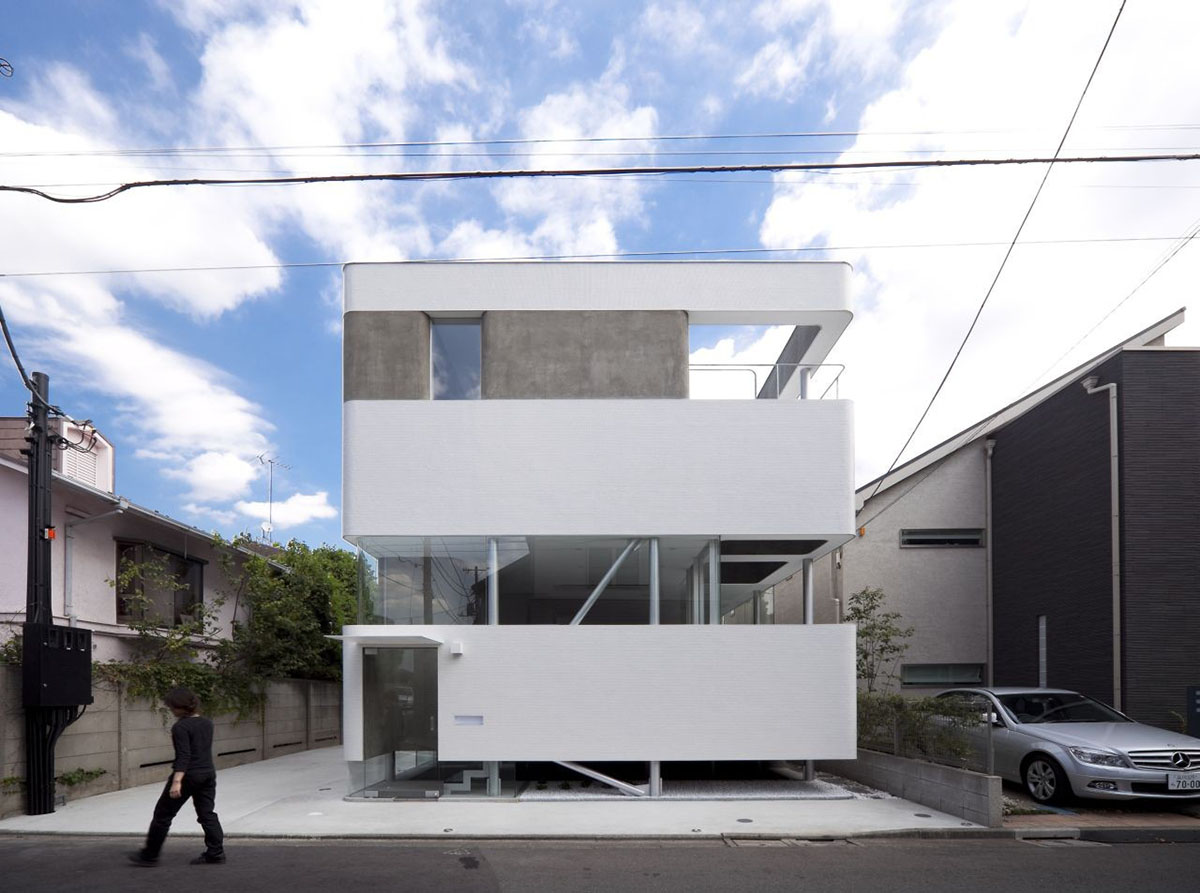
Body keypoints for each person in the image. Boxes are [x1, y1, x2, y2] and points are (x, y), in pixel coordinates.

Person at [128, 687, 226, 866]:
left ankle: (150, 855)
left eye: (172, 707)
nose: (171, 711)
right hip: (207, 774)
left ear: (181, 707)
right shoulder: (207, 723)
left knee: (163, 815)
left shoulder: (180, 727)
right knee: (207, 814)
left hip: (188, 775)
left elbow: (184, 756)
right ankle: (216, 853)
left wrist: (176, 782)